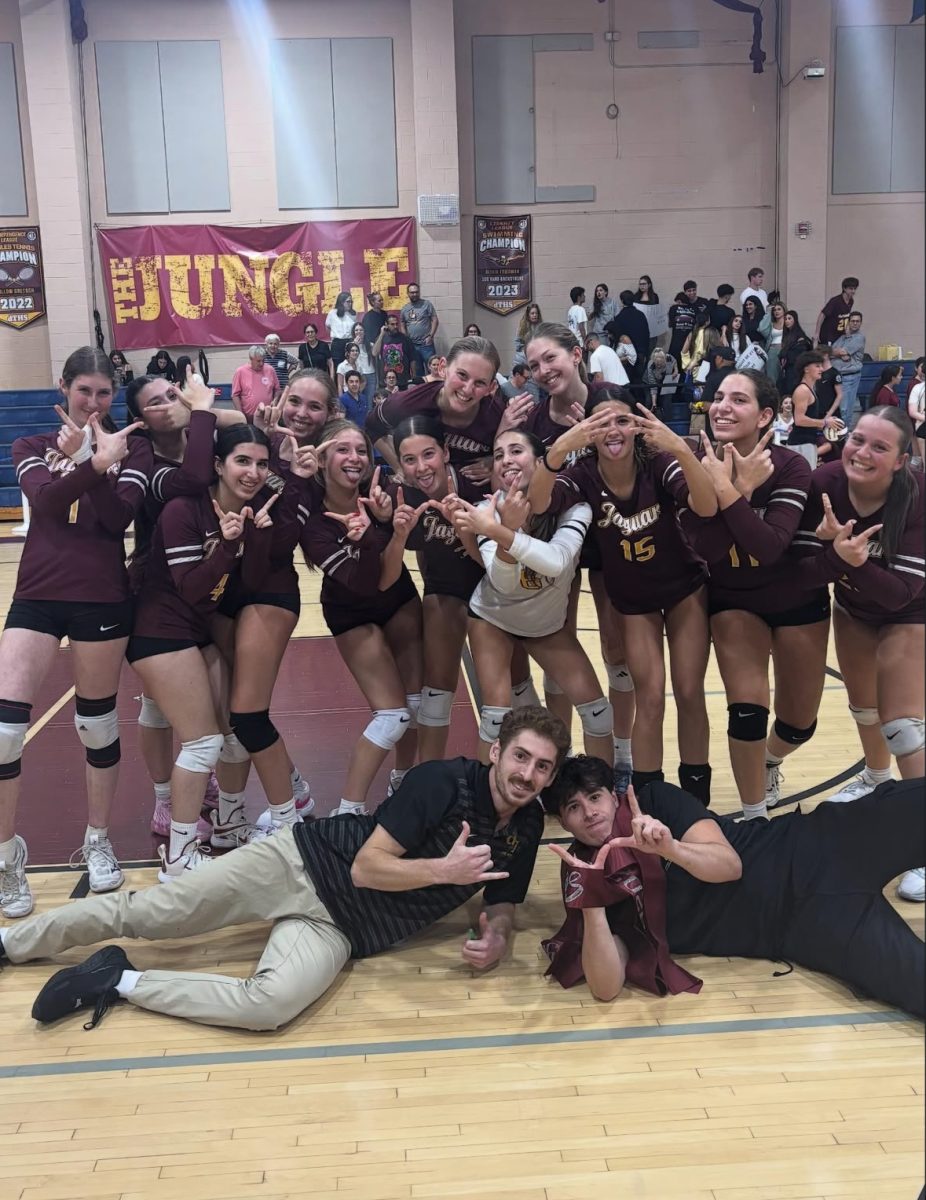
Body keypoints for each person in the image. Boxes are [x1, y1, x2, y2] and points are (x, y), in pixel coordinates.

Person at [4, 708, 570, 1032]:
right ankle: (11, 943)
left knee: (269, 1008)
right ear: (496, 752)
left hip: (343, 929)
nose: (528, 774)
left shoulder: (526, 827)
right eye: (520, 756)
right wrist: (444, 872)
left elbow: (502, 900)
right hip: (300, 864)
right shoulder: (442, 782)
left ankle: (118, 980)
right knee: (152, 915)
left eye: (543, 767)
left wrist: (497, 938)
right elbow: (368, 869)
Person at [543, 757, 924, 1019]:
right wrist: (592, 900)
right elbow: (606, 988)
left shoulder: (656, 801)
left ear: (614, 797)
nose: (590, 812)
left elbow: (729, 866)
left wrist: (670, 849)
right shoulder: (583, 877)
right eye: (574, 807)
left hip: (818, 842)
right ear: (563, 822)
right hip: (809, 924)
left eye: (595, 797)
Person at [1, 348, 148, 917]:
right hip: (36, 596)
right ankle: (7, 856)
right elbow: (44, 501)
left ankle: (97, 839)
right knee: (5, 731)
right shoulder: (31, 445)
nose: (93, 401)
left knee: (96, 724)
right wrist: (89, 462)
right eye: (84, 390)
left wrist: (96, 460)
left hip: (101, 599)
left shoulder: (131, 449)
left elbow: (117, 520)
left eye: (103, 393)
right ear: (63, 387)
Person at [528, 386, 719, 806]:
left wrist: (680, 448)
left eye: (622, 420)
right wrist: (560, 448)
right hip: (634, 600)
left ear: (637, 426)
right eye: (601, 422)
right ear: (587, 430)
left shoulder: (659, 464)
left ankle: (696, 800)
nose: (613, 430)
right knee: (649, 696)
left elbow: (706, 507)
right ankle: (648, 801)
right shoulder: (583, 474)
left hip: (683, 589)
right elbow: (539, 502)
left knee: (689, 692)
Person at [127, 425, 297, 877]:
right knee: (203, 743)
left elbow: (252, 581)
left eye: (262, 464)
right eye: (243, 461)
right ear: (219, 465)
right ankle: (179, 858)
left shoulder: (252, 510)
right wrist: (228, 545)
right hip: (160, 632)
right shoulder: (183, 509)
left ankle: (230, 824)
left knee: (234, 734)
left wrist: (256, 538)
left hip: (197, 633)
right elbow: (191, 589)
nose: (253, 472)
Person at [682, 370, 829, 819]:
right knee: (746, 709)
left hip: (796, 597)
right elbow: (706, 550)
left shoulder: (791, 466)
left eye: (738, 400)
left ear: (765, 416)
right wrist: (737, 489)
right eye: (719, 397)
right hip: (734, 600)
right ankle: (754, 818)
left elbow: (770, 547)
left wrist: (730, 493)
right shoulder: (694, 464)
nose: (723, 407)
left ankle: (769, 759)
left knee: (799, 724)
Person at [792, 407, 924, 904]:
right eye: (857, 439)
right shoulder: (824, 482)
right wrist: (836, 559)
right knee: (864, 706)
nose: (862, 453)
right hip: (852, 604)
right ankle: (875, 777)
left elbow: (900, 594)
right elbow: (802, 573)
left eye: (879, 447)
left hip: (912, 609)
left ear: (901, 461)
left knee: (903, 725)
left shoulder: (917, 495)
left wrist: (846, 557)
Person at [125, 368, 247, 840]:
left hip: (201, 588)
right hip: (157, 591)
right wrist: (198, 410)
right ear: (140, 420)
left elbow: (241, 419)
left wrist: (201, 407)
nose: (168, 402)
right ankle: (163, 801)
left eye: (171, 393)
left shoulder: (203, 431)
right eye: (155, 401)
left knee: (204, 705)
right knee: (158, 706)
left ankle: (199, 782)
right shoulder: (145, 460)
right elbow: (195, 477)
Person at [447, 429, 613, 768]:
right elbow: (504, 583)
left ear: (541, 463)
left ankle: (597, 789)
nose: (505, 460)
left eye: (516, 451)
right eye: (498, 455)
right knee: (496, 717)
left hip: (545, 625)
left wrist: (502, 533)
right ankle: (484, 797)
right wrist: (503, 527)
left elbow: (557, 562)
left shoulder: (575, 507)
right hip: (492, 618)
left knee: (598, 713)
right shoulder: (486, 509)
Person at [522, 328, 637, 784]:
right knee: (559, 644)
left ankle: (622, 754)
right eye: (534, 365)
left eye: (550, 358)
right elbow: (527, 483)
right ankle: (562, 754)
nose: (543, 370)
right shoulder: (534, 421)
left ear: (575, 355)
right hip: (559, 544)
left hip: (612, 538)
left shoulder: (611, 401)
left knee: (616, 648)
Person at [298, 420, 422, 815]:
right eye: (342, 449)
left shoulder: (381, 496)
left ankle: (404, 780)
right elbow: (366, 585)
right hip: (350, 608)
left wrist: (386, 523)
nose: (355, 458)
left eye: (361, 450)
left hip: (398, 598)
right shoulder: (313, 523)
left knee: (415, 705)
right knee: (392, 715)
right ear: (322, 459)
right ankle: (347, 812)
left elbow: (389, 577)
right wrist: (371, 535)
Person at [390, 417, 486, 764]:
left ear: (445, 452)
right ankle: (428, 774)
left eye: (428, 454)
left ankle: (495, 776)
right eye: (409, 459)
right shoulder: (403, 495)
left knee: (506, 688)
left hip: (493, 588)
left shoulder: (477, 481)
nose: (421, 467)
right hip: (444, 587)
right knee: (436, 689)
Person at [365, 336, 508, 482]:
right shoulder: (406, 404)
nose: (467, 389)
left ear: (491, 387)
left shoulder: (499, 416)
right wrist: (399, 468)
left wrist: (496, 460)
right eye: (462, 375)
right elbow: (371, 427)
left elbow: (516, 454)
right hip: (422, 489)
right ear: (442, 368)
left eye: (480, 383)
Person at [788, 351, 844, 466]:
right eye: (817, 366)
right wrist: (825, 422)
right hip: (800, 443)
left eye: (821, 366)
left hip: (809, 441)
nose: (821, 369)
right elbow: (799, 420)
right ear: (806, 369)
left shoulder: (811, 389)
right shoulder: (803, 390)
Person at [829, 312, 865, 423]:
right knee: (838, 408)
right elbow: (829, 351)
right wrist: (839, 354)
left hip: (849, 377)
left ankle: (846, 431)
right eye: (853, 321)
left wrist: (839, 353)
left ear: (860, 323)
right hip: (837, 376)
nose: (855, 323)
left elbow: (842, 351)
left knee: (845, 409)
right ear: (848, 322)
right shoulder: (842, 337)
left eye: (857, 321)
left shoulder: (859, 338)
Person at [603, 292, 650, 377]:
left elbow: (617, 336)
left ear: (622, 301)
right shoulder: (641, 315)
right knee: (638, 379)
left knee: (626, 379)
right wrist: (646, 352)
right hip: (641, 351)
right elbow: (647, 334)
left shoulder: (619, 317)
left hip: (626, 357)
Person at [400, 282, 440, 376]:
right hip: (413, 345)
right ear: (408, 293)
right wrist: (406, 338)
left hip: (426, 344)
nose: (414, 294)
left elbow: (435, 320)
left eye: (416, 292)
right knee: (418, 373)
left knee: (433, 371)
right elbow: (402, 323)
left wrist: (431, 336)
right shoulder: (405, 308)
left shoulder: (427, 304)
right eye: (412, 292)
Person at [231, 346, 277, 420]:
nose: (261, 363)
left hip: (267, 415)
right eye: (258, 361)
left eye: (263, 360)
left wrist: (275, 401)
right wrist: (240, 415)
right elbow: (235, 395)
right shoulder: (240, 371)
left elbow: (277, 389)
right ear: (251, 359)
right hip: (248, 416)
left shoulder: (270, 370)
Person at [373, 314, 417, 391]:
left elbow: (412, 358)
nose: (395, 326)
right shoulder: (381, 338)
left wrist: (414, 376)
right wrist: (381, 334)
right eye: (392, 324)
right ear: (386, 324)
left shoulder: (405, 338)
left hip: (402, 380)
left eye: (397, 324)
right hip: (386, 381)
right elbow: (374, 353)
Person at [777, 311, 813, 396]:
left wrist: (786, 355)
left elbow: (801, 353)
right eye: (785, 319)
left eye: (789, 318)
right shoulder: (787, 336)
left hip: (795, 370)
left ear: (795, 320)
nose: (787, 321)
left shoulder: (800, 336)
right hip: (787, 370)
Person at [815, 276, 859, 345]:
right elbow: (822, 314)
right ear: (844, 288)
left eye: (855, 289)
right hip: (828, 334)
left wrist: (847, 329)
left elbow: (846, 316)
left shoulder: (851, 301)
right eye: (851, 289)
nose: (853, 291)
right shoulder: (835, 301)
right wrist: (817, 332)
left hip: (839, 334)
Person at [642, 348, 680, 415]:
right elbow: (653, 386)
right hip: (648, 383)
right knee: (649, 402)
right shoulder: (651, 366)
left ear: (664, 360)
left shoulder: (669, 357)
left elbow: (674, 361)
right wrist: (654, 404)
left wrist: (676, 370)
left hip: (664, 381)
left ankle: (667, 418)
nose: (659, 365)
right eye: (657, 363)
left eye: (661, 363)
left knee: (667, 400)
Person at [325, 292, 358, 368]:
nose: (350, 304)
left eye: (351, 302)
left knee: (350, 366)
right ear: (341, 302)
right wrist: (334, 336)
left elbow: (355, 329)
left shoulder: (353, 314)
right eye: (348, 301)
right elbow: (327, 327)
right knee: (338, 366)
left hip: (350, 342)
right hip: (337, 344)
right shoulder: (333, 313)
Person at [758, 301, 786, 384]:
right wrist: (768, 313)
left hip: (785, 350)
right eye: (774, 310)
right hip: (772, 351)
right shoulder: (771, 324)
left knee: (784, 376)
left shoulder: (788, 322)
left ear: (784, 310)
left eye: (779, 309)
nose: (776, 311)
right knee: (772, 376)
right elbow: (761, 329)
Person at [667, 291, 697, 366]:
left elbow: (670, 324)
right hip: (690, 341)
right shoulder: (694, 309)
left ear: (679, 301)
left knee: (673, 363)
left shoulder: (674, 308)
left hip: (676, 341)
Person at [907, 357, 925, 464]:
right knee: (917, 454)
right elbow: (913, 409)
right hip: (917, 420)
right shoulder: (915, 385)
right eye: (921, 366)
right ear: (916, 368)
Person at [361, 291, 388, 362]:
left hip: (385, 345)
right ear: (373, 302)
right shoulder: (368, 317)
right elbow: (370, 338)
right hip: (374, 348)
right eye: (379, 300)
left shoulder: (384, 314)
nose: (382, 302)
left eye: (382, 300)